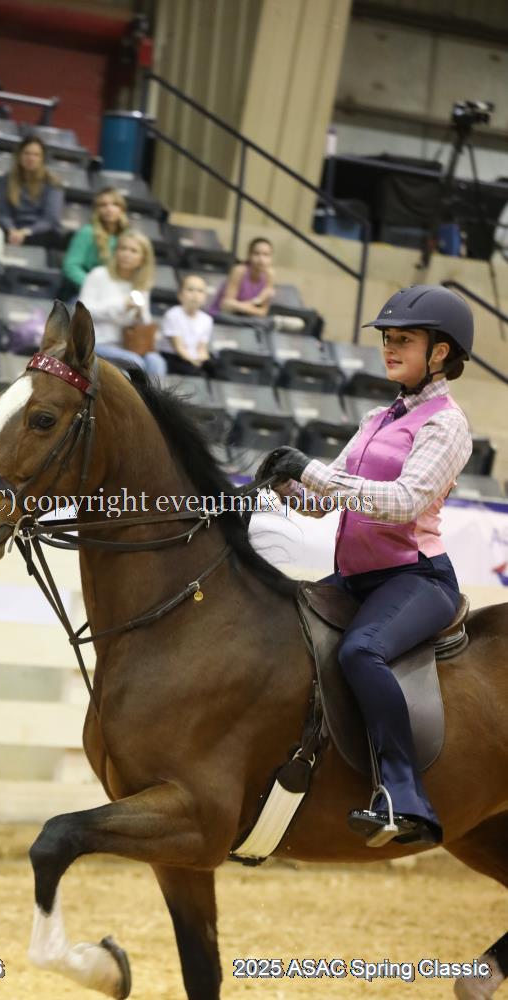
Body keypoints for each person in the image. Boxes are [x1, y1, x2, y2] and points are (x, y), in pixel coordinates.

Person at [257, 284, 474, 848]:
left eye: (403, 340)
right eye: (387, 339)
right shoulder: (378, 417)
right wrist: (284, 485)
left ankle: (404, 796)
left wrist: (310, 470)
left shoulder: (446, 424)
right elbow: (324, 500)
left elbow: (404, 501)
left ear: (440, 352)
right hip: (355, 578)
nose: (389, 348)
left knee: (361, 651)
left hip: (416, 578)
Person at [79, 229, 166, 378]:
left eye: (133, 251)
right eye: (123, 248)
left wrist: (140, 314)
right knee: (135, 362)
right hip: (96, 342)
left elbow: (146, 323)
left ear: (143, 259)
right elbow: (83, 311)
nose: (126, 254)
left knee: (157, 362)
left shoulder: (141, 285)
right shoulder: (99, 274)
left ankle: (152, 395)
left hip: (127, 345)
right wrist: (122, 306)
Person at [0, 137, 65, 248]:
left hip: (39, 232)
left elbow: (49, 220)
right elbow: (4, 214)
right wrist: (12, 229)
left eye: (36, 155)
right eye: (26, 153)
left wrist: (25, 232)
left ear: (42, 159)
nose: (31, 158)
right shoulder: (7, 179)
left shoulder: (52, 183)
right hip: (13, 229)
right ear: (19, 155)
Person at [61, 187, 129, 295]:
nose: (109, 209)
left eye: (115, 204)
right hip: (86, 292)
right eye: (103, 205)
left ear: (122, 209)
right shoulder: (87, 232)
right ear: (97, 210)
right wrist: (94, 286)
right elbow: (71, 266)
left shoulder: (128, 236)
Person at [208, 236, 275, 318]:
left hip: (249, 320)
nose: (261, 259)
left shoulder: (269, 275)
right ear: (249, 255)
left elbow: (263, 312)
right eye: (256, 254)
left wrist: (240, 306)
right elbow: (226, 305)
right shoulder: (240, 271)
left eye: (266, 255)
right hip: (223, 317)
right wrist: (257, 301)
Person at [160, 274, 213, 375]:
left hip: (194, 358)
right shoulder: (173, 315)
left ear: (205, 297)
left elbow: (202, 348)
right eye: (190, 290)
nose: (195, 295)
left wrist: (204, 362)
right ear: (180, 295)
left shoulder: (207, 320)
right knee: (195, 372)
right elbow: (179, 348)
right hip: (174, 357)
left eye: (200, 291)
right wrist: (194, 363)